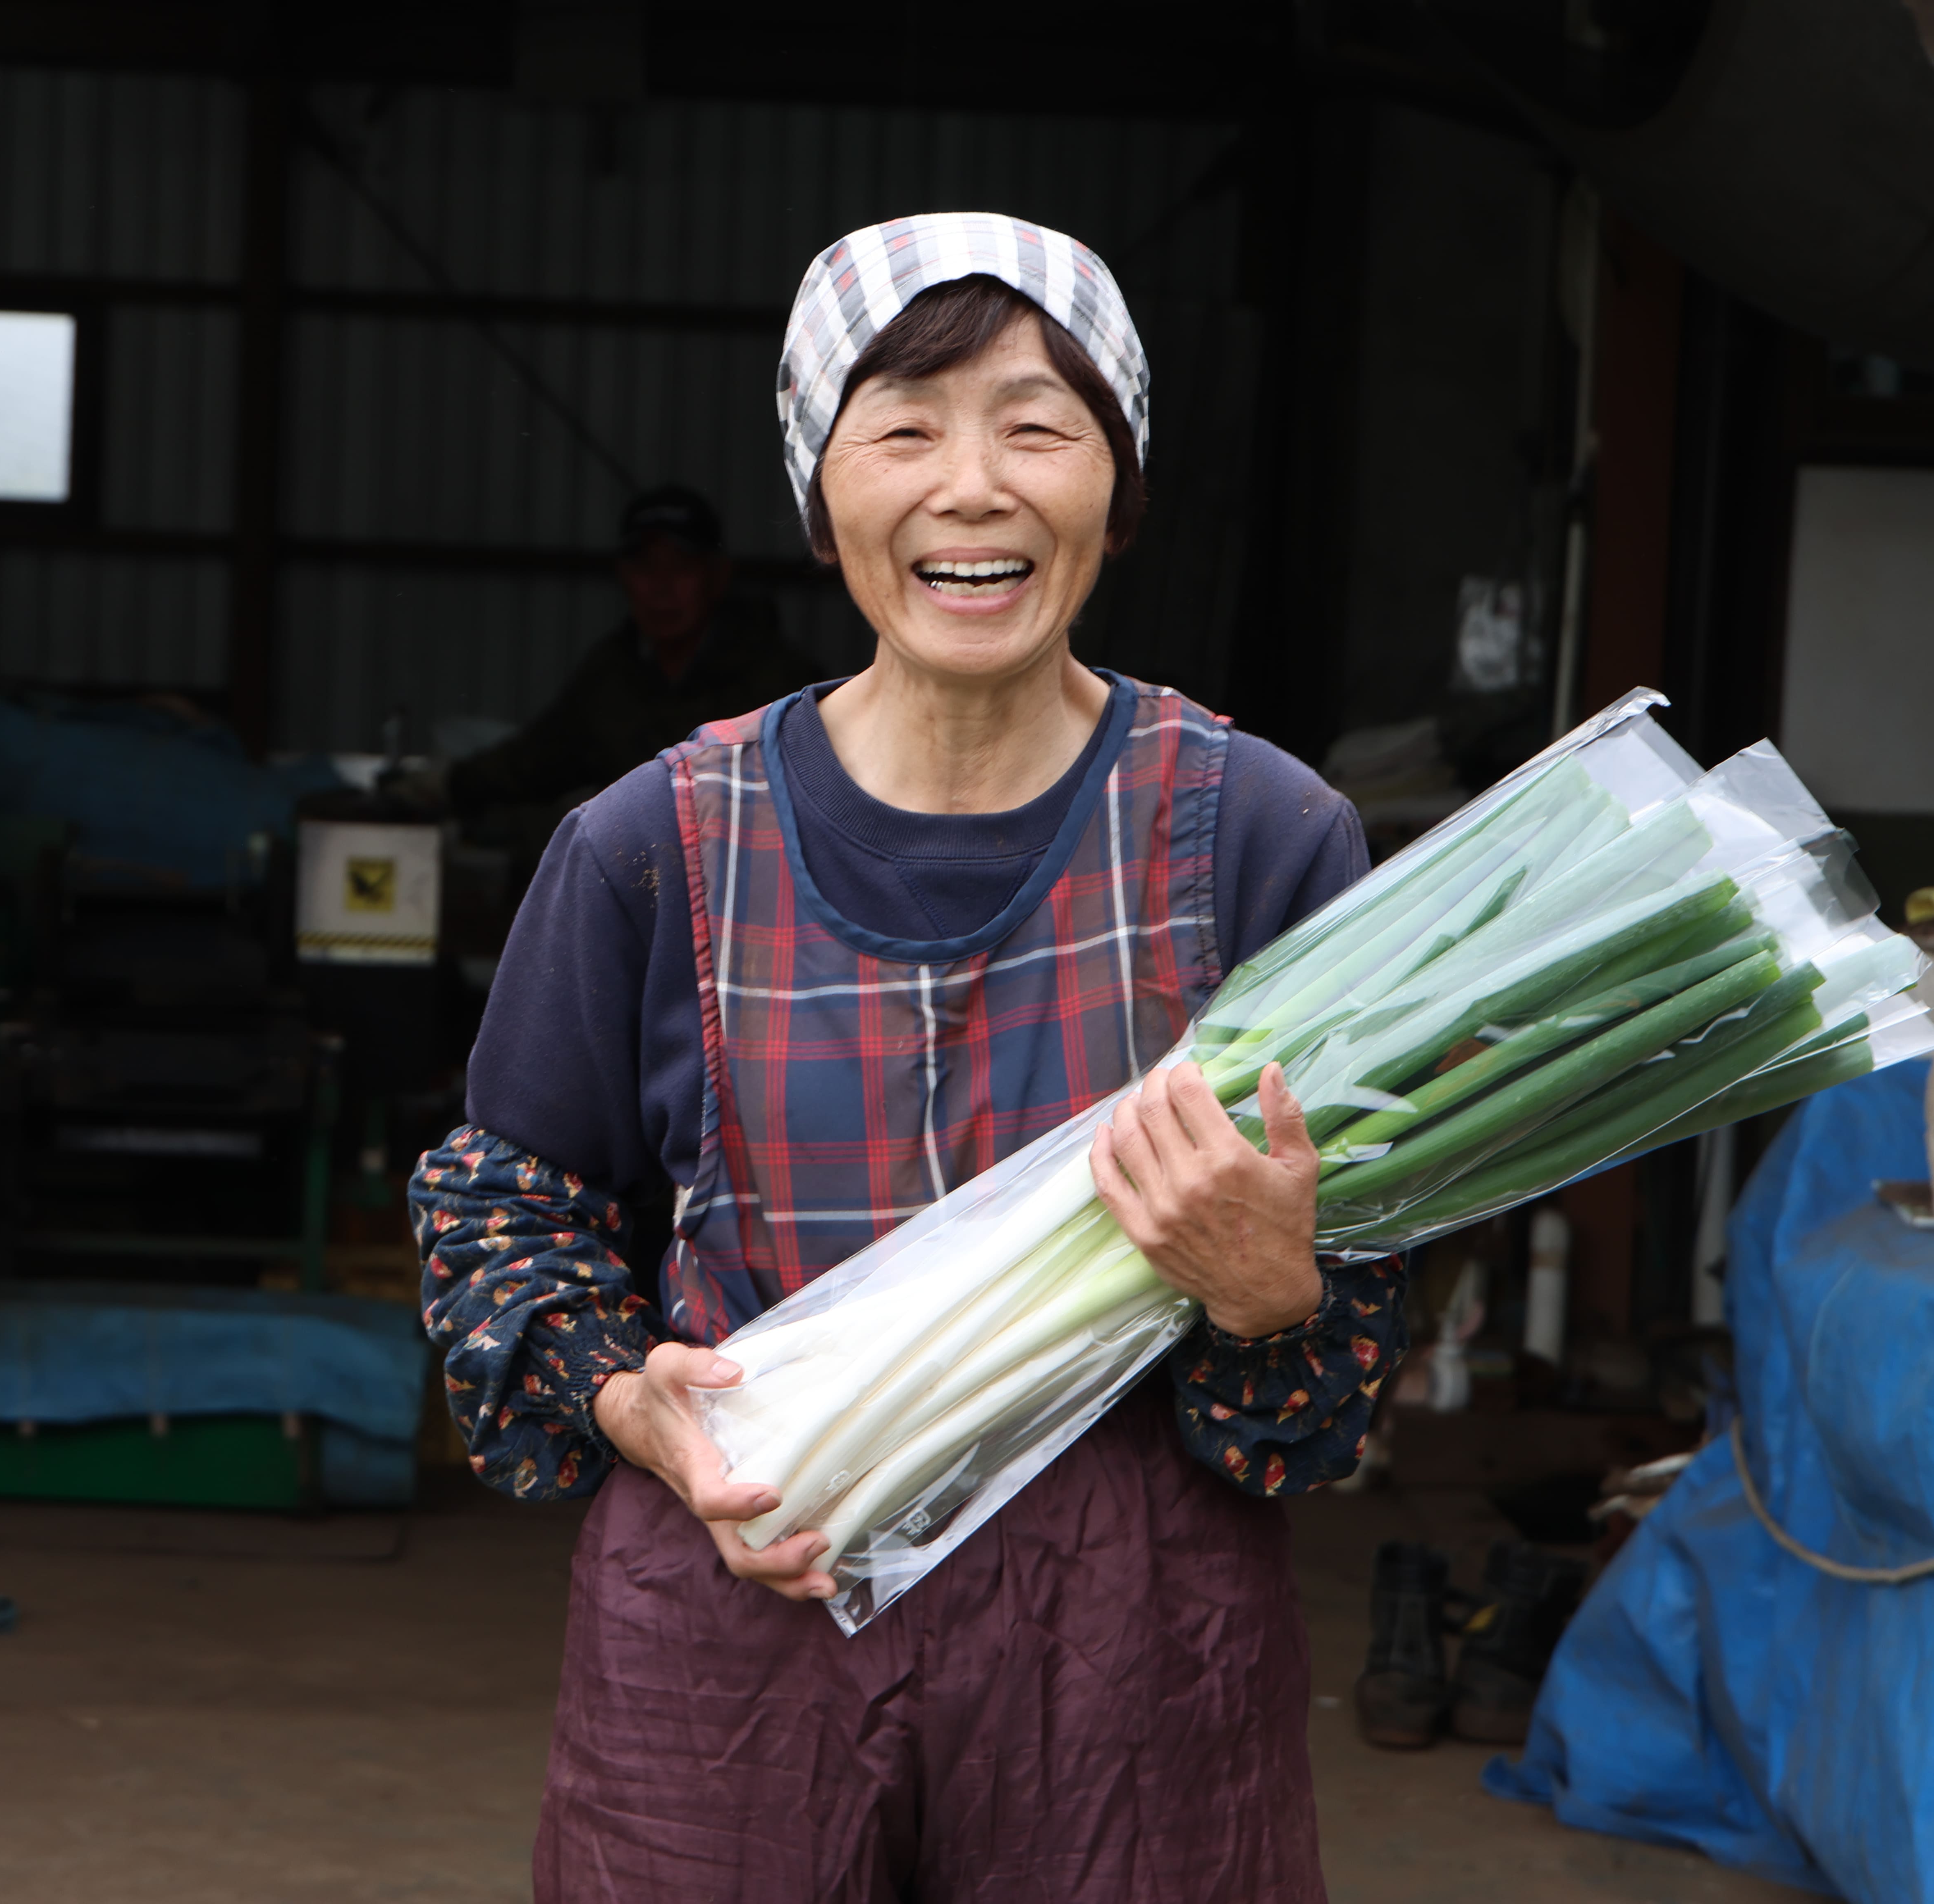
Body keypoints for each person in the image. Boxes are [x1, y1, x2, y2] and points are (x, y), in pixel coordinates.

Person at [414, 214, 1408, 1902]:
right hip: (746, 1588)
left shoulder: (1262, 838)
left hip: (1130, 1641)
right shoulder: (654, 842)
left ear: (1118, 481)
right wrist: (632, 1400)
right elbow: (505, 1209)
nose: (973, 487)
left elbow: (1354, 1308)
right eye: (904, 428)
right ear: (822, 489)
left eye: (1036, 426)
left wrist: (1271, 1297)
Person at [445, 484, 818, 822]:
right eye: (645, 567)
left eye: (681, 567)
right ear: (623, 576)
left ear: (717, 576)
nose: (661, 588)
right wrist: (446, 785)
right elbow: (535, 759)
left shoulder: (781, 684)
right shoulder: (610, 675)